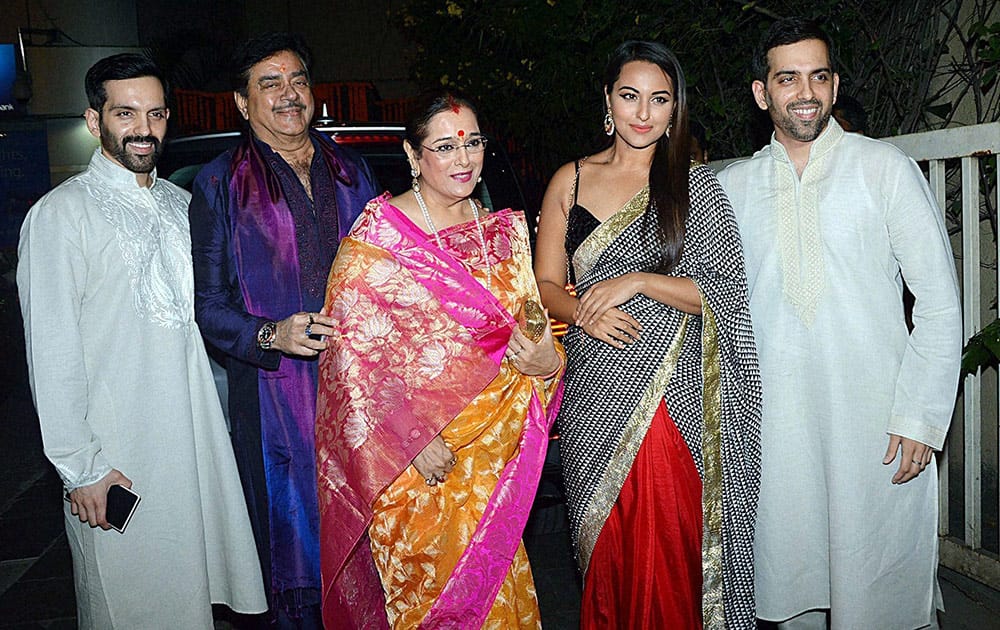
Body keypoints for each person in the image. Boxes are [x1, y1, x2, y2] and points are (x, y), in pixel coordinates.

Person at [716, 17, 962, 630]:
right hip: (775, 429)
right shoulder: (732, 188)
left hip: (877, 425)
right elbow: (703, 307)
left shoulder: (884, 169)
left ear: (834, 83)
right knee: (789, 582)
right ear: (761, 92)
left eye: (818, 76)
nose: (805, 92)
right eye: (788, 78)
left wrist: (921, 418)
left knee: (876, 589)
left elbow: (938, 303)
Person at [16, 53, 266, 628]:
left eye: (155, 113)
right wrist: (81, 467)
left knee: (189, 601)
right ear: (93, 120)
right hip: (116, 464)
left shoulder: (184, 209)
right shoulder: (60, 217)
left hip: (194, 450)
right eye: (125, 113)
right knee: (127, 602)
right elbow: (50, 355)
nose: (143, 129)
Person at [314, 91, 565, 629]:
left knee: (499, 600)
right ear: (413, 155)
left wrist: (547, 359)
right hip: (414, 468)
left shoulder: (499, 231)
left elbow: (531, 327)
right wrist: (410, 437)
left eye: (472, 142)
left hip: (492, 460)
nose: (464, 158)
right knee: (429, 606)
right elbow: (349, 363)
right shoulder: (377, 239)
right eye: (445, 146)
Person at [535, 41, 762, 629]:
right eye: (630, 96)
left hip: (677, 397)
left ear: (674, 109)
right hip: (594, 393)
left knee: (669, 546)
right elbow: (545, 284)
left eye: (659, 100)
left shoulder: (696, 187)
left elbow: (726, 293)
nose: (643, 113)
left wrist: (639, 280)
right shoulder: (571, 178)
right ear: (607, 101)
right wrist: (583, 310)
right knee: (607, 550)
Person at [187, 32, 377, 626]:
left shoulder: (354, 171)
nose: (288, 94)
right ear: (243, 104)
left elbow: (395, 276)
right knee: (292, 554)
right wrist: (272, 335)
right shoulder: (220, 182)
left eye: (297, 80)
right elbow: (208, 305)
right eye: (269, 84)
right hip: (274, 400)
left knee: (373, 546)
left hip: (364, 390)